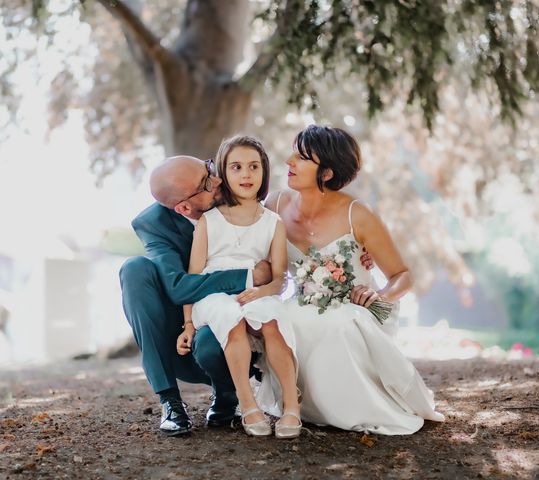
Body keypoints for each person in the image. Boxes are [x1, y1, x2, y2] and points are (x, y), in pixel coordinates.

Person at [264, 124, 445, 434]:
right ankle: (298, 405)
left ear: (328, 173)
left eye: (301, 157)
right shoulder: (275, 205)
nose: (289, 162)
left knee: (342, 321)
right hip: (303, 302)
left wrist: (381, 298)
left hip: (357, 308)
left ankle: (349, 408)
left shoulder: (358, 214)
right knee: (283, 317)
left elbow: (402, 275)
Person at [119, 155, 272, 436]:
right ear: (184, 207)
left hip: (232, 331)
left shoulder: (237, 194)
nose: (217, 180)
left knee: (216, 337)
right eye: (206, 182)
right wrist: (248, 275)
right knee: (134, 269)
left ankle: (228, 396)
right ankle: (171, 403)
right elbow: (177, 286)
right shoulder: (153, 224)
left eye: (209, 168)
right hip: (181, 345)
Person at [177, 135, 301, 438]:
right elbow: (193, 279)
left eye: (253, 167)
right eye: (236, 167)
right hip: (213, 294)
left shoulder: (273, 222)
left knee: (272, 320)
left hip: (256, 292)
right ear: (224, 173)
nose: (246, 175)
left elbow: (278, 279)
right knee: (229, 319)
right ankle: (248, 406)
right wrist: (188, 324)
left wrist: (262, 292)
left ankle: (291, 408)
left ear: (264, 171)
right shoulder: (209, 220)